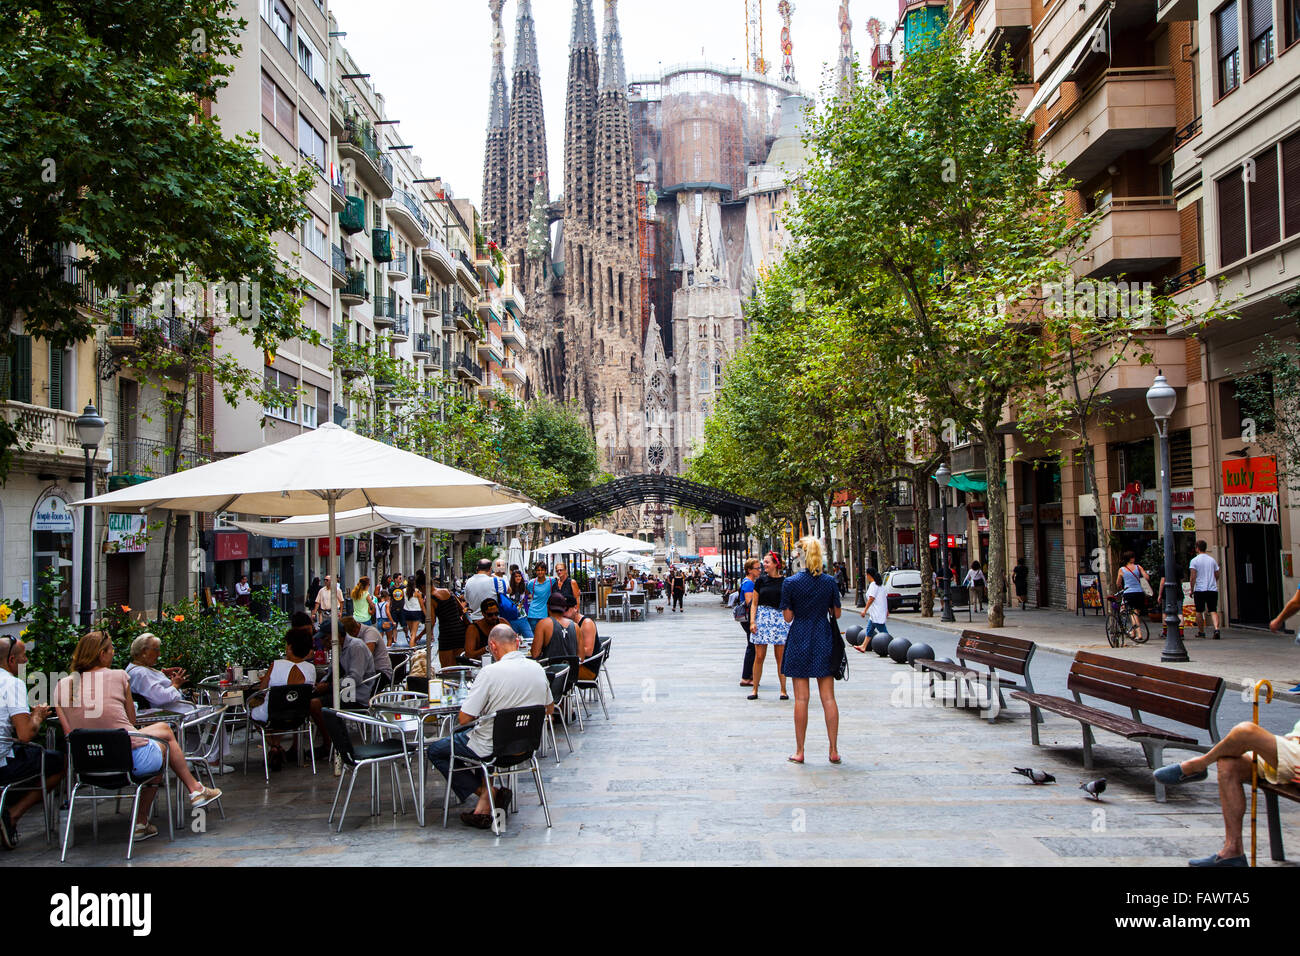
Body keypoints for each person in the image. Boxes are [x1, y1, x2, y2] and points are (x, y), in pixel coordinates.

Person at [55, 631, 221, 842]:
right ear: (102, 653)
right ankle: (150, 815)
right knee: (164, 744)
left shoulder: (61, 685)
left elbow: (70, 734)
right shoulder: (119, 676)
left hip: (87, 766)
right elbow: (130, 719)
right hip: (127, 760)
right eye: (111, 650)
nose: (114, 654)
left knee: (162, 731)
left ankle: (193, 791)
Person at [426, 624, 553, 829]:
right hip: (526, 745)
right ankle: (486, 800)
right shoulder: (537, 669)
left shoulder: (489, 673)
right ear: (518, 643)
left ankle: (488, 793)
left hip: (492, 746)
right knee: (485, 732)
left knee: (437, 750)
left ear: (492, 646)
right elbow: (548, 708)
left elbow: (465, 718)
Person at [1155, 715, 1300, 866]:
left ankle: (1197, 765)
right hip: (1294, 748)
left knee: (1245, 731)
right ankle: (1233, 851)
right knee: (1228, 763)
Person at [781, 537, 843, 765]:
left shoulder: (791, 583)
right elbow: (836, 614)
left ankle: (800, 750)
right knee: (828, 698)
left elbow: (788, 617)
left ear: (800, 556)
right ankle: (833, 749)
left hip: (799, 637)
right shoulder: (829, 582)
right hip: (823, 637)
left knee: (801, 699)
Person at [0, 636, 64, 850]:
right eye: (23, 656)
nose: (26, 660)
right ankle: (12, 815)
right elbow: (25, 735)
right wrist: (37, 716)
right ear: (11, 660)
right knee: (58, 763)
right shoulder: (11, 683)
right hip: (2, 765)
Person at [247, 628, 321, 769]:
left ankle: (274, 747)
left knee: (254, 711)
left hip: (272, 713)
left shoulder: (276, 664)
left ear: (290, 647)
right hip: (299, 715)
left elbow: (262, 689)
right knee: (283, 711)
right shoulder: (311, 668)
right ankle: (276, 747)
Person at [749, 552, 789, 701]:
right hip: (763, 617)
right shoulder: (760, 581)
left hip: (779, 618)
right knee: (759, 656)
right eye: (764, 562)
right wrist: (752, 621)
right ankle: (755, 689)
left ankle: (783, 689)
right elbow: (754, 603)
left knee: (780, 657)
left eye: (767, 562)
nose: (764, 565)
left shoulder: (785, 582)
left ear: (776, 564)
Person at [314, 618, 377, 710]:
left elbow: (355, 678)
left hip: (354, 695)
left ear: (337, 635)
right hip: (340, 691)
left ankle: (333, 724)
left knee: (315, 704)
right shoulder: (338, 648)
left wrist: (329, 686)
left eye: (326, 638)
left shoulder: (356, 646)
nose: (323, 642)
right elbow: (330, 673)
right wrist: (323, 682)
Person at [126, 634, 195, 714]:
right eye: (156, 650)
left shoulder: (134, 667)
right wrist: (176, 684)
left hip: (171, 709)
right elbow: (161, 698)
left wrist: (161, 674)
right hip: (171, 713)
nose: (159, 654)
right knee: (212, 711)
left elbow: (149, 685)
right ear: (144, 651)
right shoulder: (141, 673)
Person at [428, 581, 469, 668]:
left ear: (422, 587)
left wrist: (421, 635)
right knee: (460, 665)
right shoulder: (448, 591)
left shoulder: (431, 599)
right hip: (459, 630)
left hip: (446, 633)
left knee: (447, 669)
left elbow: (431, 621)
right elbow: (462, 610)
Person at [529, 593, 580, 664]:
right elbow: (581, 657)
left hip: (551, 672)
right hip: (571, 673)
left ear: (547, 607)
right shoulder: (575, 626)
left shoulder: (543, 624)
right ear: (564, 608)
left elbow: (535, 654)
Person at [344, 615, 392, 687]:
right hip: (366, 672)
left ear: (354, 631)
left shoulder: (370, 633)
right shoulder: (355, 637)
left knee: (352, 686)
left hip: (380, 673)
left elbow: (366, 657)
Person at [1189, 540, 1221, 640]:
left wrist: (1191, 589)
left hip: (1200, 589)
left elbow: (1193, 576)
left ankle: (1201, 631)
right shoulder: (1212, 560)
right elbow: (1217, 574)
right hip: (1212, 589)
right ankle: (1216, 629)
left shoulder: (1194, 560)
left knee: (1199, 611)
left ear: (1197, 548)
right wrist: (1213, 581)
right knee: (1213, 610)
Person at [1115, 551, 1151, 639]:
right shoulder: (1138, 567)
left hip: (1128, 593)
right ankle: (1133, 632)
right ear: (1132, 558)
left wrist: (1121, 586)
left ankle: (1139, 634)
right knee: (1136, 612)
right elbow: (1147, 577)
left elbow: (1118, 583)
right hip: (1139, 592)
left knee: (1133, 614)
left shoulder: (1122, 569)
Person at [854, 568, 889, 652]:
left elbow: (871, 599)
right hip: (876, 612)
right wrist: (887, 610)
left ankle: (892, 646)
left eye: (866, 575)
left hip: (877, 612)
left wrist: (864, 610)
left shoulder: (873, 585)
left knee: (883, 632)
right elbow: (885, 599)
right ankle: (863, 646)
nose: (866, 576)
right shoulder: (881, 585)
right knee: (869, 630)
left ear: (869, 575)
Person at [737, 557, 760, 687]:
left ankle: (750, 675)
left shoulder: (748, 582)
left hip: (747, 618)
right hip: (748, 619)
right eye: (757, 568)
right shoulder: (749, 583)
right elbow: (749, 603)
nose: (760, 570)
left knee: (752, 646)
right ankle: (746, 677)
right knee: (752, 647)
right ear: (750, 570)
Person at [463, 559, 497, 625]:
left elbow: (467, 600)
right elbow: (509, 590)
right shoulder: (495, 581)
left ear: (477, 568)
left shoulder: (469, 582)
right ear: (490, 569)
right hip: (492, 620)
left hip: (475, 621)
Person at [525, 563, 554, 634]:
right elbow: (526, 593)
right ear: (536, 571)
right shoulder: (532, 583)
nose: (540, 572)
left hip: (545, 614)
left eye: (542, 570)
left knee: (545, 636)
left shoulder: (551, 581)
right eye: (538, 570)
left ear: (545, 571)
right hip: (533, 614)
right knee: (534, 637)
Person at [402, 576, 427, 645]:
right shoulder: (417, 592)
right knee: (413, 634)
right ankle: (412, 649)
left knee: (411, 632)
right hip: (416, 612)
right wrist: (426, 615)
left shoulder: (404, 590)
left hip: (407, 612)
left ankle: (414, 648)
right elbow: (422, 605)